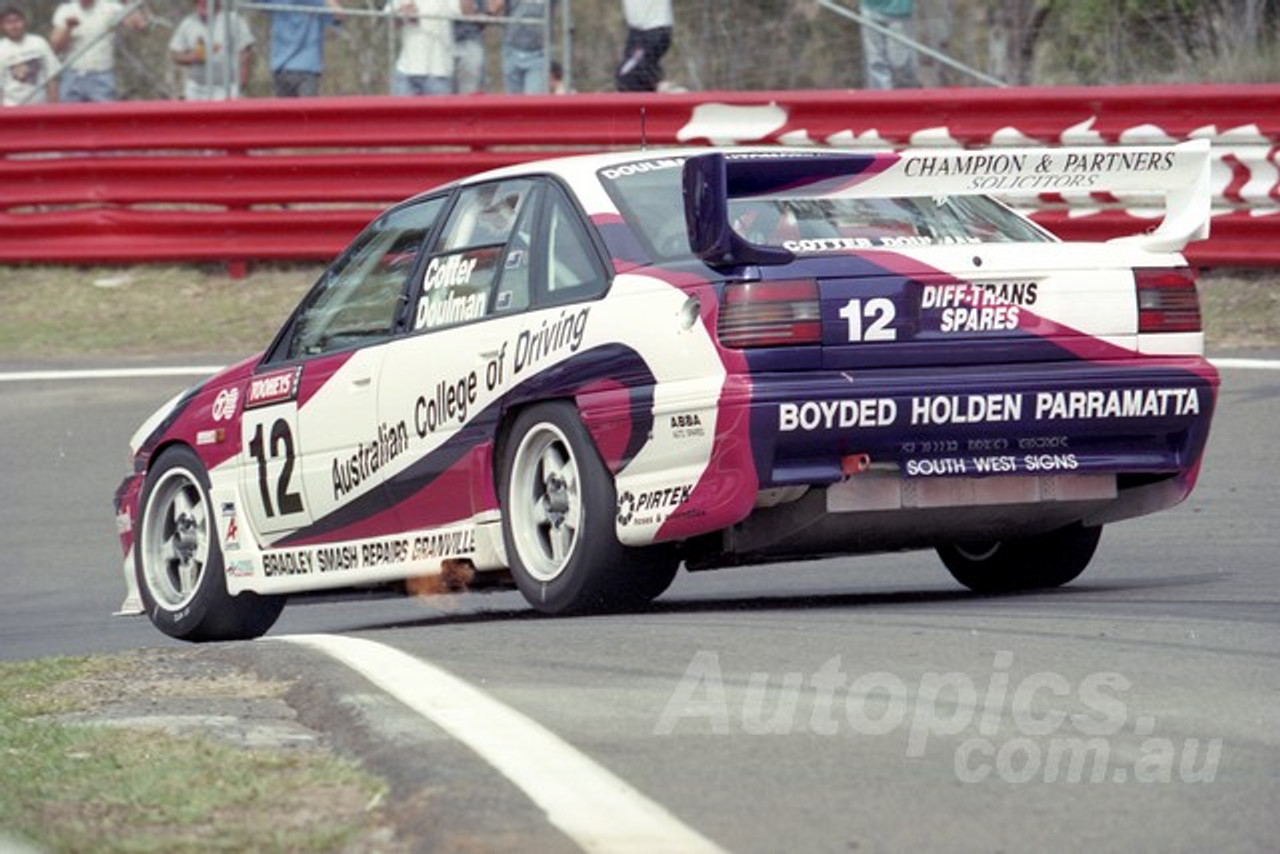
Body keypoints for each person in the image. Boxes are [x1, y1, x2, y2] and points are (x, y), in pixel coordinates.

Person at [49, 0, 145, 102]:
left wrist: (127, 3)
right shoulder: (66, 9)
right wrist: (68, 28)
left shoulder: (110, 7)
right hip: (72, 76)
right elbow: (56, 45)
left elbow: (139, 26)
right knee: (68, 117)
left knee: (104, 117)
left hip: (101, 77)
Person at [169, 0, 255, 100]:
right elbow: (175, 54)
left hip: (225, 88)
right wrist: (193, 57)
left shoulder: (232, 20)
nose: (203, 3)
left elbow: (245, 52)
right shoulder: (188, 23)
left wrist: (239, 86)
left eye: (207, 2)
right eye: (200, 2)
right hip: (196, 88)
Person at [269, 0, 344, 97]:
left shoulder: (317, 3)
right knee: (289, 111)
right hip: (286, 67)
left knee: (305, 110)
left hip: (306, 68)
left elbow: (338, 17)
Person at [390, 0, 458, 95]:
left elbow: (465, 11)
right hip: (406, 71)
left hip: (439, 72)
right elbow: (392, 21)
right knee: (400, 110)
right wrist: (403, 15)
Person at [0, 6, 59, 105]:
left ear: (24, 22)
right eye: (8, 22)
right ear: (2, 26)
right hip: (11, 109)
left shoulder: (39, 42)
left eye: (17, 21)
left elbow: (52, 77)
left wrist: (53, 108)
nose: (14, 26)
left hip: (40, 107)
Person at [859, 0, 918, 89]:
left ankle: (908, 95)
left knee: (901, 61)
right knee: (875, 61)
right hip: (870, 9)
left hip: (898, 11)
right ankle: (881, 99)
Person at [614, 0, 670, 92]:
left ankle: (669, 91)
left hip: (654, 28)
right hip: (636, 32)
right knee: (627, 80)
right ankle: (651, 98)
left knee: (627, 73)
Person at [501, 0, 548, 94]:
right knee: (513, 104)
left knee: (534, 103)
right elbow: (496, 11)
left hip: (539, 54)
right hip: (512, 50)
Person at [454, 0, 499, 94]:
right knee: (442, 96)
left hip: (471, 41)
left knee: (470, 92)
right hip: (442, 43)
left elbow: (489, 13)